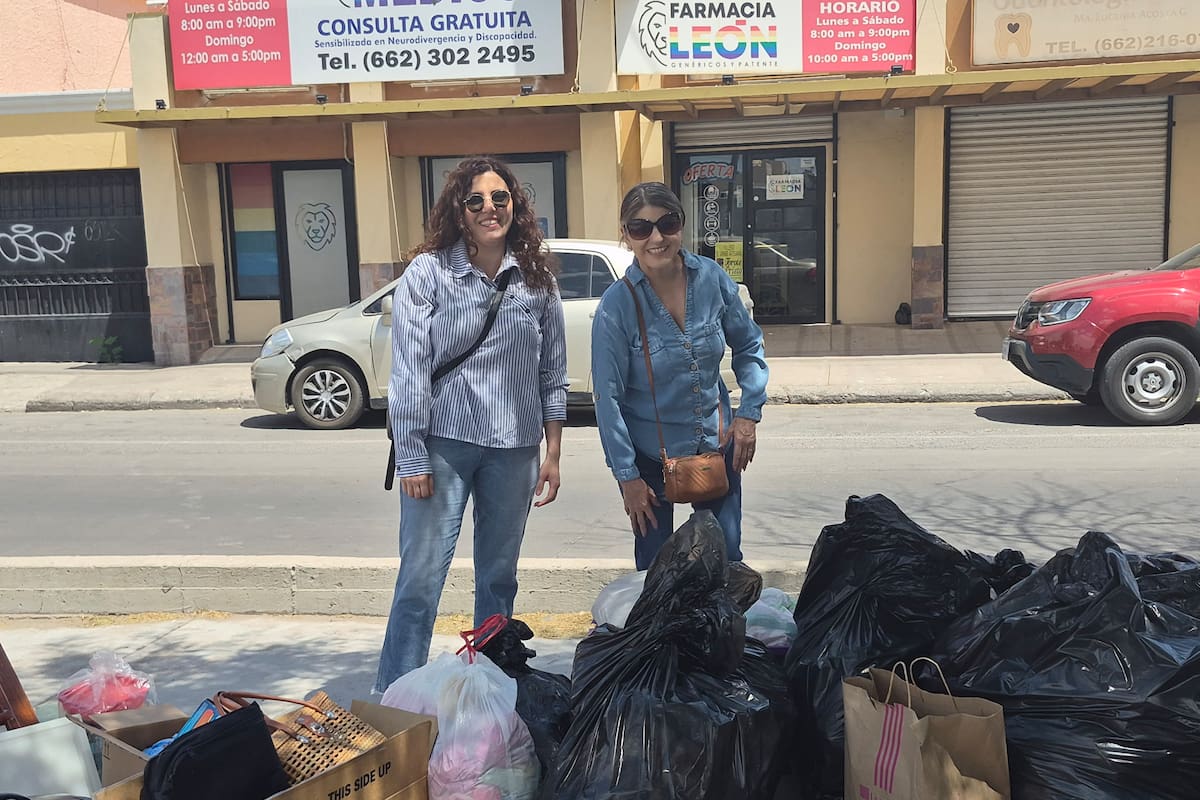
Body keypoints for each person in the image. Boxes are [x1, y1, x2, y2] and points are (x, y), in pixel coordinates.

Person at [375, 156, 567, 693]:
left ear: (515, 206)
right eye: (476, 200)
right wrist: (411, 454)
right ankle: (396, 696)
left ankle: (491, 690)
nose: (489, 209)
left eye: (500, 198)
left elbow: (553, 372)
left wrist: (553, 452)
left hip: (515, 450)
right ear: (458, 211)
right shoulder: (429, 274)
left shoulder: (536, 280)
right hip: (443, 447)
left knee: (499, 580)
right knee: (420, 580)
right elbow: (409, 371)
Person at [591, 182, 768, 570]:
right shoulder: (617, 306)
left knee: (725, 564)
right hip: (650, 461)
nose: (656, 238)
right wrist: (627, 477)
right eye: (641, 228)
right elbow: (607, 399)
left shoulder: (711, 279)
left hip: (715, 447)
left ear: (682, 225)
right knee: (657, 573)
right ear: (626, 235)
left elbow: (749, 344)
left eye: (667, 224)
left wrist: (747, 416)